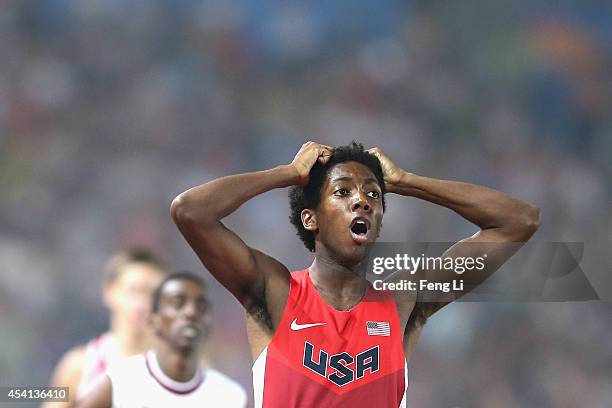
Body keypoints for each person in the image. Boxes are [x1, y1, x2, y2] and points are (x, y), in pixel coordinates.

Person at [170, 141, 540, 407]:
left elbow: (518, 222)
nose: (361, 200)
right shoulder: (274, 291)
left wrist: (408, 182)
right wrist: (288, 174)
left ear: (378, 222)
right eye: (342, 192)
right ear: (310, 218)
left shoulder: (404, 302)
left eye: (373, 195)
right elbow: (190, 212)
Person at [77, 272, 248, 408]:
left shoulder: (230, 397)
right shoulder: (119, 381)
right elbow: (54, 395)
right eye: (178, 303)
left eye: (201, 307)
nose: (191, 312)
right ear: (154, 321)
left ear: (209, 323)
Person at [44, 249, 167, 407]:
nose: (141, 303)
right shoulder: (79, 366)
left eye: (152, 293)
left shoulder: (176, 370)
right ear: (109, 292)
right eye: (134, 290)